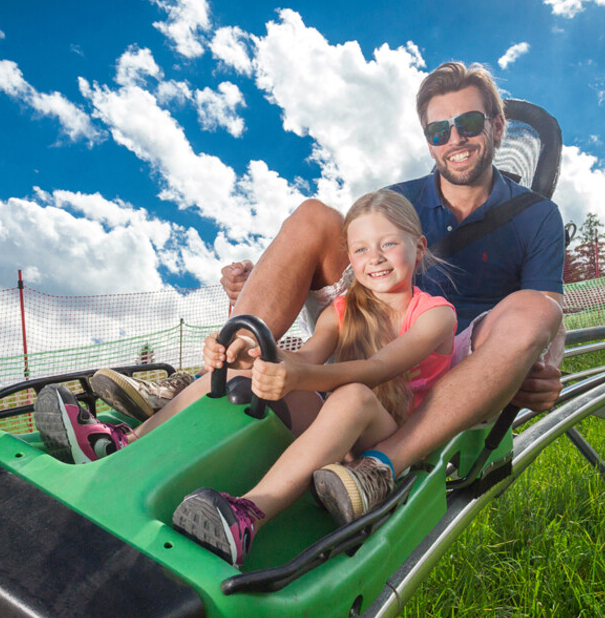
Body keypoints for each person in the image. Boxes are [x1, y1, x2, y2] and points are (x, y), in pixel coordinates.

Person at [34, 190, 457, 566]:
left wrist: (301, 373)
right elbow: (307, 357)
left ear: (418, 247)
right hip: (337, 433)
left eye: (388, 244)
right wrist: (242, 355)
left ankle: (247, 516)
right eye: (361, 249)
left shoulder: (435, 315)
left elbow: (380, 368)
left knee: (354, 395)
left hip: (384, 443)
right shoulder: (341, 311)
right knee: (247, 366)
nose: (375, 258)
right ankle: (121, 443)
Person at [214, 61, 566, 512]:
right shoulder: (400, 200)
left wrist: (548, 366)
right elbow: (355, 280)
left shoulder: (537, 215)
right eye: (438, 130)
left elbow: (550, 312)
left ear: (497, 127)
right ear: (428, 140)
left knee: (535, 310)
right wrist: (265, 282)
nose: (454, 139)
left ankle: (381, 467)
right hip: (376, 332)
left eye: (469, 123)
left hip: (461, 356)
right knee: (314, 217)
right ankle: (224, 364)